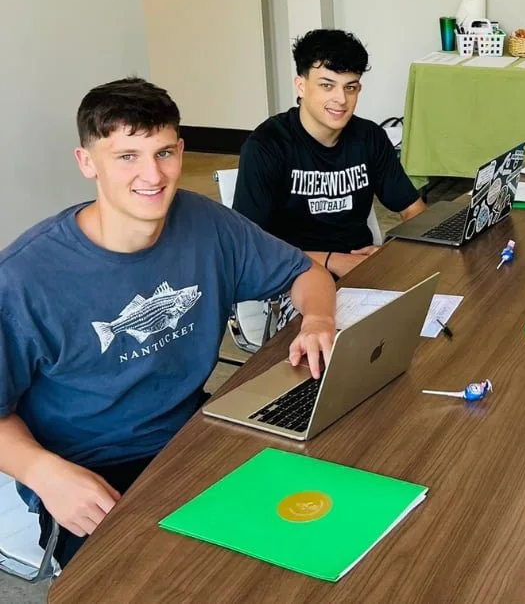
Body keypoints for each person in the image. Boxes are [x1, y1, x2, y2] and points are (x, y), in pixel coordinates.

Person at [0, 78, 337, 569]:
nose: (152, 175)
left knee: (316, 523)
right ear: (87, 162)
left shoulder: (206, 223)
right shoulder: (24, 278)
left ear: (182, 151)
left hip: (196, 433)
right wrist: (45, 474)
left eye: (163, 153)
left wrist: (318, 317)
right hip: (90, 469)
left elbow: (306, 273)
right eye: (126, 156)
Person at [233, 29, 425, 279]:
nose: (341, 99)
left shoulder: (369, 137)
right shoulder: (266, 146)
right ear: (301, 86)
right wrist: (333, 261)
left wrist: (390, 251)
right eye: (327, 85)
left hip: (362, 270)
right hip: (293, 274)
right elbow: (249, 247)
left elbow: (414, 209)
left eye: (350, 87)